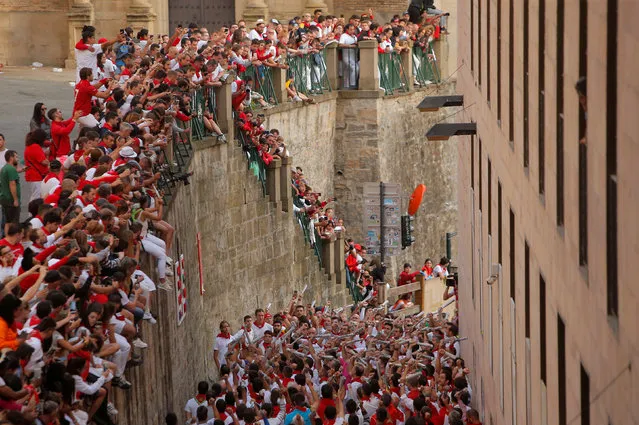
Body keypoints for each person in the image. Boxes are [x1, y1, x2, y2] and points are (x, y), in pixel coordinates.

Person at [24, 129, 50, 202]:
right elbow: (44, 162)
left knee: (35, 195)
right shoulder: (35, 147)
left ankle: (32, 212)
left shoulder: (30, 146)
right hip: (36, 176)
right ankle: (34, 212)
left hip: (33, 175)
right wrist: (47, 156)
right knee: (37, 196)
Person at [0, 150, 20, 236]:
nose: (18, 159)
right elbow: (12, 184)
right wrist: (15, 199)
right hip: (10, 199)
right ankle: (12, 239)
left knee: (7, 221)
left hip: (4, 198)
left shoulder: (4, 168)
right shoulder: (11, 169)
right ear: (11, 158)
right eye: (16, 157)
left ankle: (6, 239)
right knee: (14, 222)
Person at [338, 24, 359, 89]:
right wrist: (350, 46)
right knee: (353, 68)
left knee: (348, 70)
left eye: (353, 29)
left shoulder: (355, 37)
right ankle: (352, 84)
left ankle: (346, 85)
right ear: (347, 29)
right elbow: (340, 44)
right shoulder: (344, 35)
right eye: (351, 29)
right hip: (346, 56)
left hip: (354, 56)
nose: (352, 31)